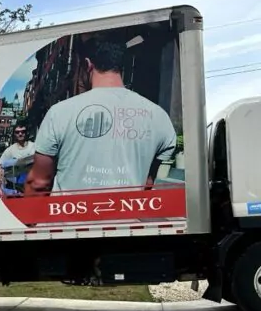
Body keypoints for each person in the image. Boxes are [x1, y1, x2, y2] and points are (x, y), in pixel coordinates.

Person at [24, 36, 177, 195]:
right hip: (125, 216)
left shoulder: (59, 112)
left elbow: (39, 183)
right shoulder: (159, 117)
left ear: (88, 64)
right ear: (121, 66)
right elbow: (147, 182)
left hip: (67, 216)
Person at [0, 124, 35, 197]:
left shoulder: (34, 147)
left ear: (26, 133)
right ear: (14, 134)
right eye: (17, 132)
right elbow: (1, 168)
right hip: (17, 191)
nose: (20, 134)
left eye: (23, 131)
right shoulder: (10, 150)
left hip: (33, 188)